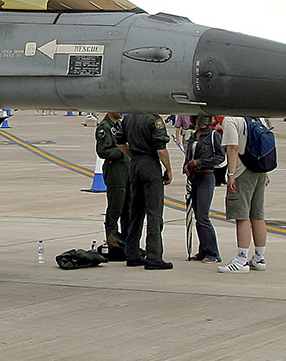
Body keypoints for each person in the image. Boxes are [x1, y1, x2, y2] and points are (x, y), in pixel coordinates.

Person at [115, 112, 173, 270]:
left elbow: (119, 141)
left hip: (135, 164)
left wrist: (132, 155)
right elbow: (161, 148)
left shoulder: (129, 118)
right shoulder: (154, 119)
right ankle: (154, 256)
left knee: (136, 211)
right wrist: (168, 168)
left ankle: (132, 252)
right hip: (149, 163)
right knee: (154, 212)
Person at [218, 116, 270, 272]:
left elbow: (233, 147)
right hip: (259, 170)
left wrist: (231, 174)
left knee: (242, 216)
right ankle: (259, 258)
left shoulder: (231, 120)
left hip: (242, 171)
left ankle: (241, 259)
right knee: (258, 215)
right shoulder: (258, 117)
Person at [183, 115, 225, 263]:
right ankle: (203, 250)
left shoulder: (213, 135)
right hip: (194, 177)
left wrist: (200, 162)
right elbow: (189, 154)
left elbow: (220, 157)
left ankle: (213, 253)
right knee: (197, 217)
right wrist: (187, 165)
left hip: (206, 177)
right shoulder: (194, 136)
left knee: (203, 216)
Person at [94, 112, 128, 259]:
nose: (122, 112)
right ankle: (113, 243)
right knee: (116, 207)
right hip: (115, 172)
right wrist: (123, 151)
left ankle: (127, 244)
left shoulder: (120, 125)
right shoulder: (104, 127)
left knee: (128, 208)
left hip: (127, 172)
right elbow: (103, 151)